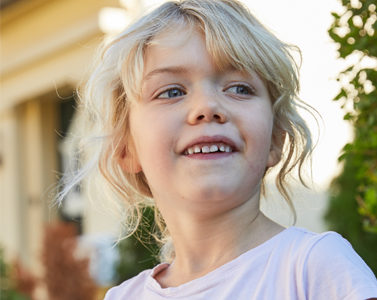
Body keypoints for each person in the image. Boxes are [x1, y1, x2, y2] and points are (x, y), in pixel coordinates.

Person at [64, 0, 377, 299]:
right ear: (126, 149)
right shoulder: (123, 296)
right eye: (171, 91)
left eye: (239, 88)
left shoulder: (316, 270)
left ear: (276, 139)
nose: (208, 107)